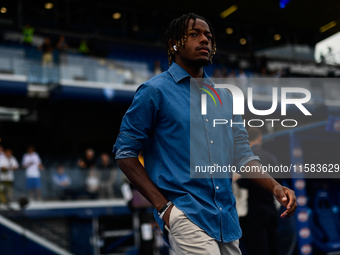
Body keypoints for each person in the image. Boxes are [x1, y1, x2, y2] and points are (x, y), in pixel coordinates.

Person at [112, 13, 297, 255]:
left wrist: (274, 187)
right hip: (185, 214)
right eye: (194, 34)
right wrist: (165, 208)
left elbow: (241, 154)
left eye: (208, 36)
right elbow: (125, 153)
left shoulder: (226, 98)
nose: (204, 40)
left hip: (226, 218)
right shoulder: (154, 92)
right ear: (173, 44)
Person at [237, 127, 280, 255]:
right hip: (272, 209)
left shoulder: (248, 159)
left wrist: (238, 179)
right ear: (260, 139)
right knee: (274, 247)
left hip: (255, 210)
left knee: (257, 249)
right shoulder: (272, 158)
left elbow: (247, 182)